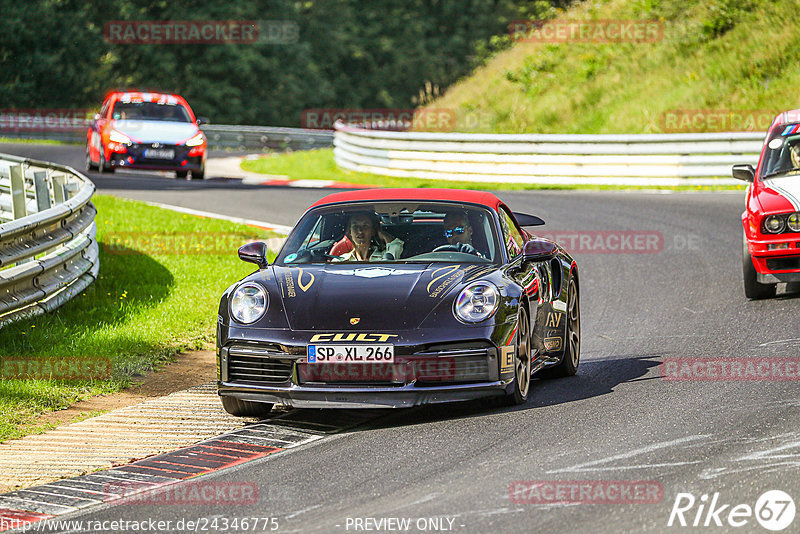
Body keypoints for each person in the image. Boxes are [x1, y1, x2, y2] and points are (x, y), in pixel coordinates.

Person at [336, 212, 403, 261]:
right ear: (350, 232)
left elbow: (396, 246)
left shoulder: (385, 257)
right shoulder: (341, 261)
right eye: (355, 226)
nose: (360, 231)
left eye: (365, 226)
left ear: (373, 231)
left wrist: (384, 235)